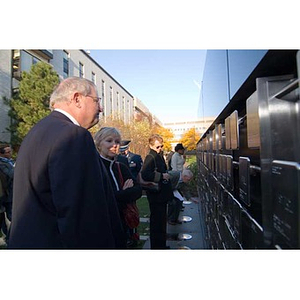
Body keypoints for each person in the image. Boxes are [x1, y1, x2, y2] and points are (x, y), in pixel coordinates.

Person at [8, 76, 124, 249]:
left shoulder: (36, 132)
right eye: (96, 101)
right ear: (77, 99)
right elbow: (83, 215)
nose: (100, 108)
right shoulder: (74, 136)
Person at [94, 127, 142, 248]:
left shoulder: (121, 167)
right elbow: (100, 199)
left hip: (123, 224)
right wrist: (124, 193)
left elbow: (138, 190)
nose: (114, 145)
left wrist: (118, 195)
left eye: (117, 142)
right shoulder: (94, 168)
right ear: (99, 144)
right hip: (102, 227)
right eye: (109, 141)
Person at [141, 134, 173, 249]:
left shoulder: (157, 155)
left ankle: (161, 245)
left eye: (161, 146)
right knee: (157, 224)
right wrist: (161, 176)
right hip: (156, 196)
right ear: (151, 145)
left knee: (161, 222)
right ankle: (157, 247)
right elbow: (145, 174)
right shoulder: (151, 157)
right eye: (157, 147)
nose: (160, 149)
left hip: (161, 195)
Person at [119, 139, 143, 246]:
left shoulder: (135, 158)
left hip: (131, 187)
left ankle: (133, 235)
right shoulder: (119, 159)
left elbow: (139, 173)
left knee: (131, 213)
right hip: (122, 187)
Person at [0, 143, 14, 243]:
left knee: (10, 217)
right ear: (1, 154)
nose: (10, 153)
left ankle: (9, 237)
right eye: (8, 152)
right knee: (9, 217)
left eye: (10, 151)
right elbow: (10, 174)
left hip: (10, 193)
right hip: (6, 194)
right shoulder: (1, 164)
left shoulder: (10, 162)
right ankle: (9, 238)